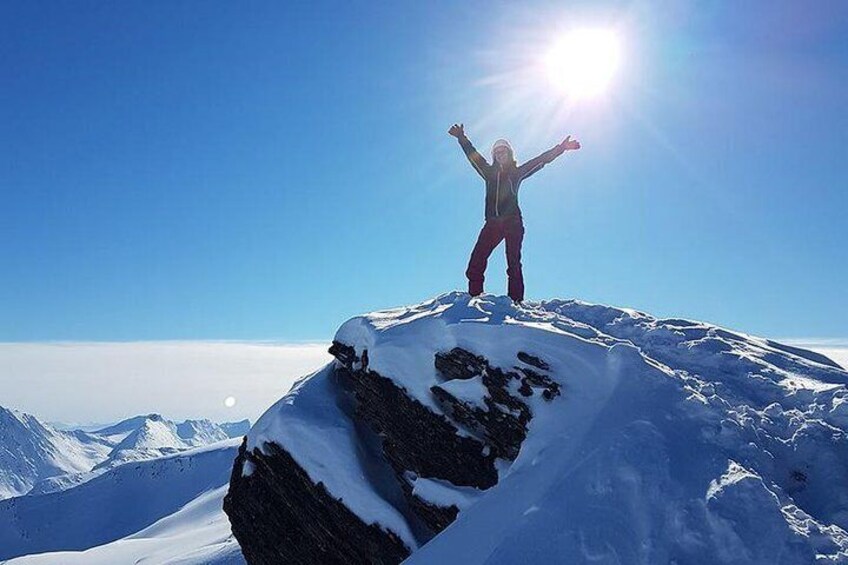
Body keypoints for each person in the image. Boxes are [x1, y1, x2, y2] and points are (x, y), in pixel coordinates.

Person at [448, 123, 580, 304]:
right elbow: (473, 156)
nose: (501, 155)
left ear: (510, 154)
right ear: (494, 156)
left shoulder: (516, 173)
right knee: (475, 263)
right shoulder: (488, 173)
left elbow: (540, 160)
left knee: (513, 264)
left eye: (504, 152)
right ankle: (474, 299)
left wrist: (561, 148)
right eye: (497, 152)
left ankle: (515, 303)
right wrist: (461, 137)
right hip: (493, 223)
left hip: (513, 223)